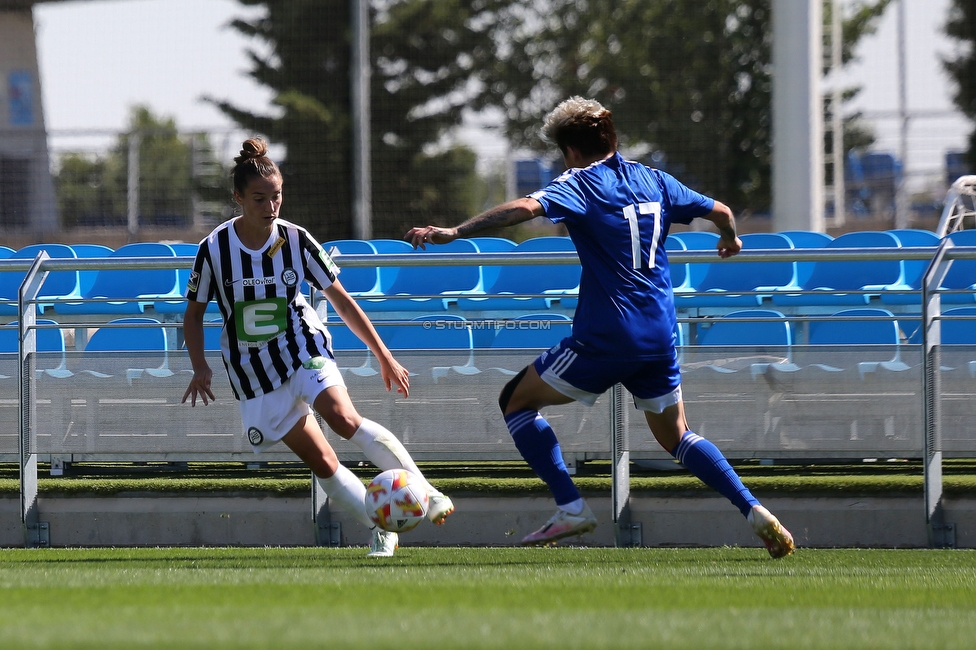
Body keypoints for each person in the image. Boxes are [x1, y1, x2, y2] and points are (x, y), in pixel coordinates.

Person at [405, 97, 794, 558]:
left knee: (516, 401)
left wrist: (454, 232)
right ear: (612, 139)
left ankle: (571, 507)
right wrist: (729, 240)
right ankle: (753, 510)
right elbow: (723, 211)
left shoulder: (580, 183)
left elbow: (524, 209)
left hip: (608, 334)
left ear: (570, 151)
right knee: (677, 436)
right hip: (659, 333)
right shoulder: (656, 180)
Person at [182, 138, 454, 557]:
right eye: (259, 199)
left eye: (276, 197)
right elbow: (194, 314)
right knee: (323, 462)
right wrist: (200, 366)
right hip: (253, 371)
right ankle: (381, 525)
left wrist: (383, 354)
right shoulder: (213, 250)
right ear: (237, 197)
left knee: (344, 419)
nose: (270, 207)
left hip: (302, 345)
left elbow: (342, 299)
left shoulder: (296, 240)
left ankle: (428, 492)